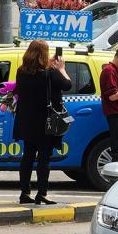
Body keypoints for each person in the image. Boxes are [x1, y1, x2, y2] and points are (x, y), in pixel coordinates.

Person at [13, 40, 72, 205]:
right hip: (45, 122)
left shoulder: (21, 71)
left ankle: (24, 193)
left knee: (28, 156)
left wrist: (50, 65)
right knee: (44, 158)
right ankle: (42, 193)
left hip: (26, 120)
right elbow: (67, 85)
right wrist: (61, 69)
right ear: (44, 54)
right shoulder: (50, 73)